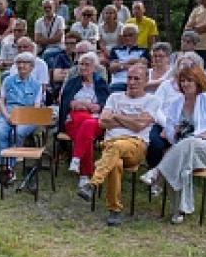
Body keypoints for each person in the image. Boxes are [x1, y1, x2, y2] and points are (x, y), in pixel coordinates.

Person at [140, 66, 206, 223]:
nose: (185, 84)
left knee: (188, 144)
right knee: (180, 161)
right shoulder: (176, 103)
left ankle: (157, 173)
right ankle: (178, 211)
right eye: (182, 80)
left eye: (189, 80)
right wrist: (175, 131)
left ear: (198, 81)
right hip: (185, 150)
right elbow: (171, 135)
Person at [81, 62, 158, 225]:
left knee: (116, 147)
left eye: (137, 78)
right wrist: (131, 121)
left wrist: (116, 116)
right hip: (111, 145)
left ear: (146, 80)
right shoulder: (115, 97)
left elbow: (139, 126)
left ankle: (94, 183)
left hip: (136, 146)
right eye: (129, 78)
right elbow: (102, 122)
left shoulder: (152, 100)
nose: (132, 82)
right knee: (115, 163)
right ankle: (114, 210)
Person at [58, 53, 111, 189]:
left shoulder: (100, 83)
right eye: (81, 64)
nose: (83, 67)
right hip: (75, 119)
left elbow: (106, 105)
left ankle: (76, 160)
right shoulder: (73, 82)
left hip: (95, 121)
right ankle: (84, 175)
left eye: (87, 64)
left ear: (94, 67)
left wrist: (87, 105)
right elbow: (65, 102)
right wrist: (73, 104)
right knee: (86, 125)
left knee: (87, 124)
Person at [0, 52, 44, 183]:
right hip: (7, 113)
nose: (21, 65)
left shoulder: (37, 85)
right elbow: (0, 101)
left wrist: (22, 118)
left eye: (25, 63)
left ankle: (9, 166)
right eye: (19, 63)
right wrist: (7, 116)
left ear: (32, 67)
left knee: (18, 132)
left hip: (28, 116)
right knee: (0, 132)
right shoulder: (8, 80)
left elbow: (36, 107)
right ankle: (5, 166)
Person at [106, 24, 150, 93]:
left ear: (137, 36)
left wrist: (120, 65)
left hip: (137, 82)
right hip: (118, 82)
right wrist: (131, 62)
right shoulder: (115, 50)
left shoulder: (144, 50)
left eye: (130, 35)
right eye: (125, 36)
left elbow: (142, 66)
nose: (127, 38)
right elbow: (112, 69)